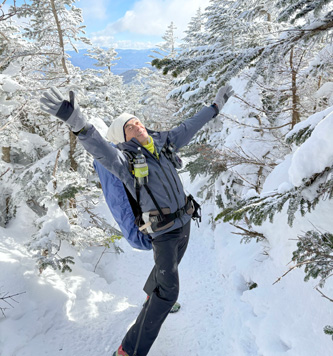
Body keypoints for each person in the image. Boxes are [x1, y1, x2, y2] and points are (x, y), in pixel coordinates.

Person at [40, 84, 233, 356]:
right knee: (168, 294)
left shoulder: (165, 143)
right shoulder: (126, 160)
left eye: (138, 121)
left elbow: (190, 125)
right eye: (130, 126)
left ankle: (149, 294)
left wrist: (214, 108)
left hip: (184, 223)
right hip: (163, 234)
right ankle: (129, 350)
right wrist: (78, 124)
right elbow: (101, 150)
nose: (137, 126)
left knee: (170, 269)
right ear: (123, 136)